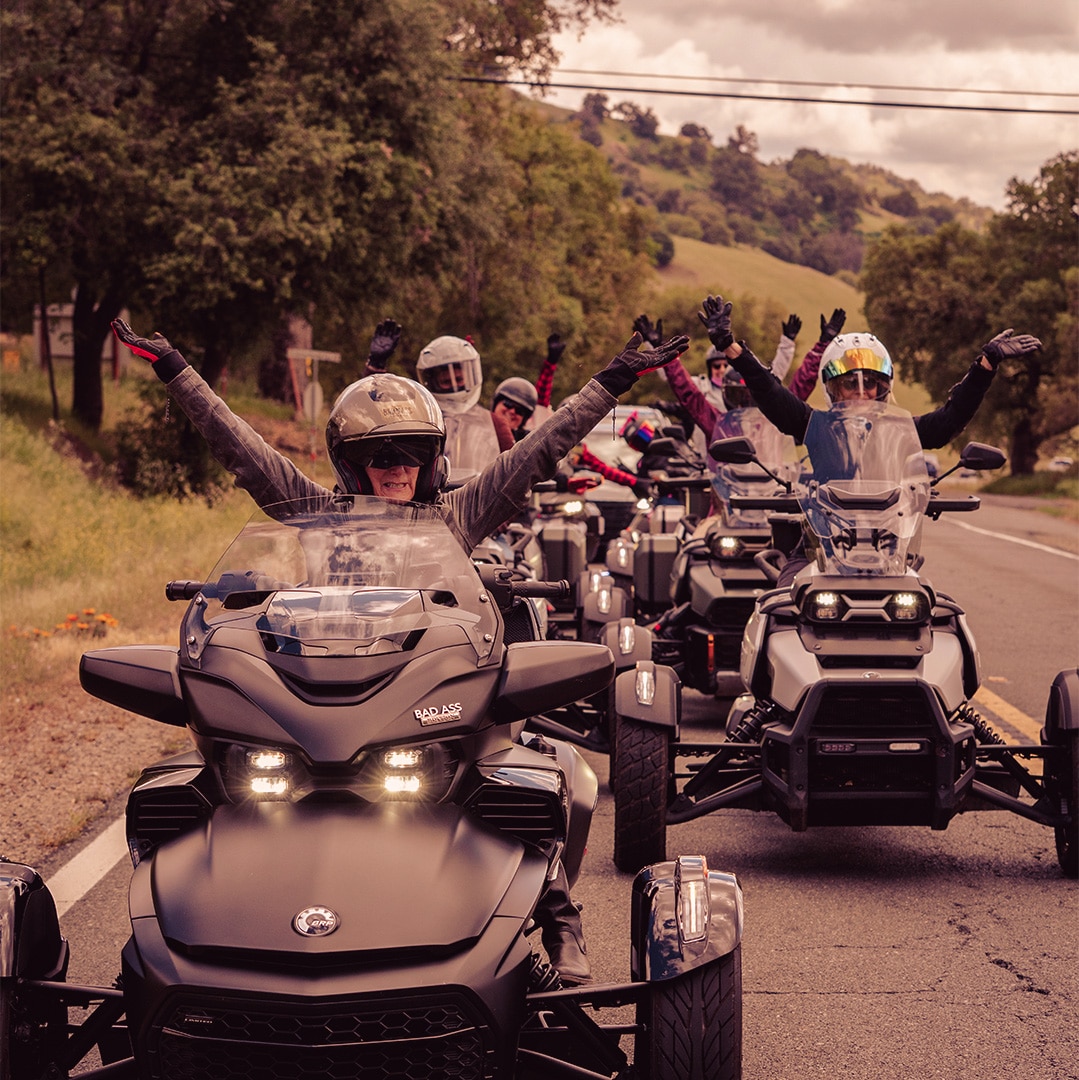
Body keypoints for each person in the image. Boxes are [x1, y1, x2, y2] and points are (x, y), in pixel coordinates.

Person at [111, 316, 690, 983]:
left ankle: (556, 910)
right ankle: (181, 931)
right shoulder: (312, 511)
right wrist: (176, 370)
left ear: (431, 458)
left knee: (517, 779)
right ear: (352, 462)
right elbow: (242, 449)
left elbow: (538, 451)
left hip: (429, 697)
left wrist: (615, 378)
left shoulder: (460, 515)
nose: (395, 468)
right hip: (323, 695)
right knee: (208, 780)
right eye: (380, 456)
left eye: (409, 454)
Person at [695, 293, 1042, 584]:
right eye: (851, 382)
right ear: (833, 387)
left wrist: (984, 367)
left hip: (889, 551)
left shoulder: (901, 428)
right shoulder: (814, 424)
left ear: (884, 386)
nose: (862, 391)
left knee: (946, 620)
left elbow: (950, 419)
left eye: (871, 382)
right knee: (777, 609)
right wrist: (731, 348)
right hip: (821, 546)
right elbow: (770, 392)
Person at [491, 376, 538, 442]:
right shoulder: (477, 425)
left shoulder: (526, 442)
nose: (512, 411)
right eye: (508, 404)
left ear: (524, 418)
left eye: (520, 411)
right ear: (496, 403)